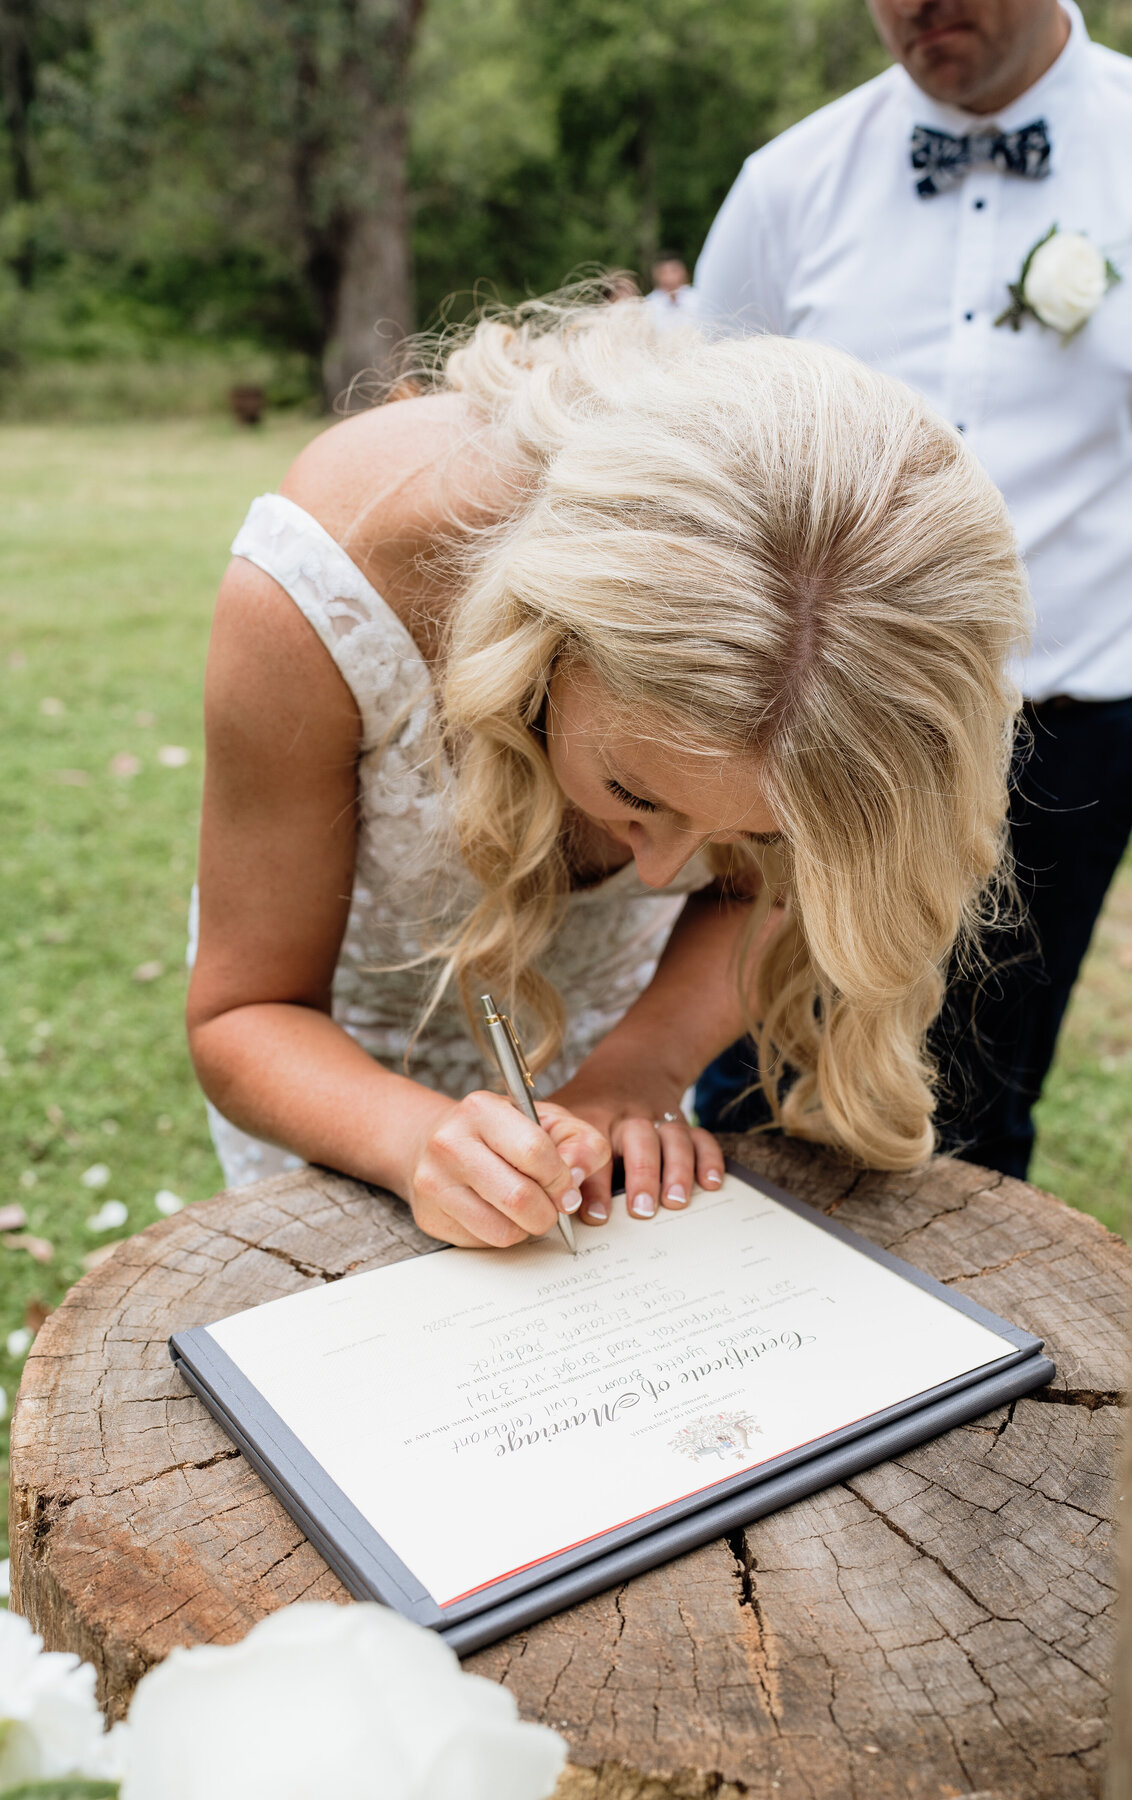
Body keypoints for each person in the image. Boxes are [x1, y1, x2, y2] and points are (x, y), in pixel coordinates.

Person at [186, 296, 1028, 1253]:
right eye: (636, 796)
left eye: (755, 835)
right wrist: (412, 1135)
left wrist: (641, 1064)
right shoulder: (336, 566)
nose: (666, 875)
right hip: (330, 1067)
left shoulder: (839, 669)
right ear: (546, 644)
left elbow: (754, 904)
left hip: (599, 1043)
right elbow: (244, 1012)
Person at [694, 0, 1132, 1178]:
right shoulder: (788, 182)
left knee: (967, 1128)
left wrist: (1079, 580)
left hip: (1055, 752)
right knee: (743, 1090)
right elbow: (701, 458)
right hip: (798, 745)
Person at [645, 252, 701, 330]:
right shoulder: (649, 304)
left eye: (674, 271)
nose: (669, 277)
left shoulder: (697, 298)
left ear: (683, 272)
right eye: (663, 272)